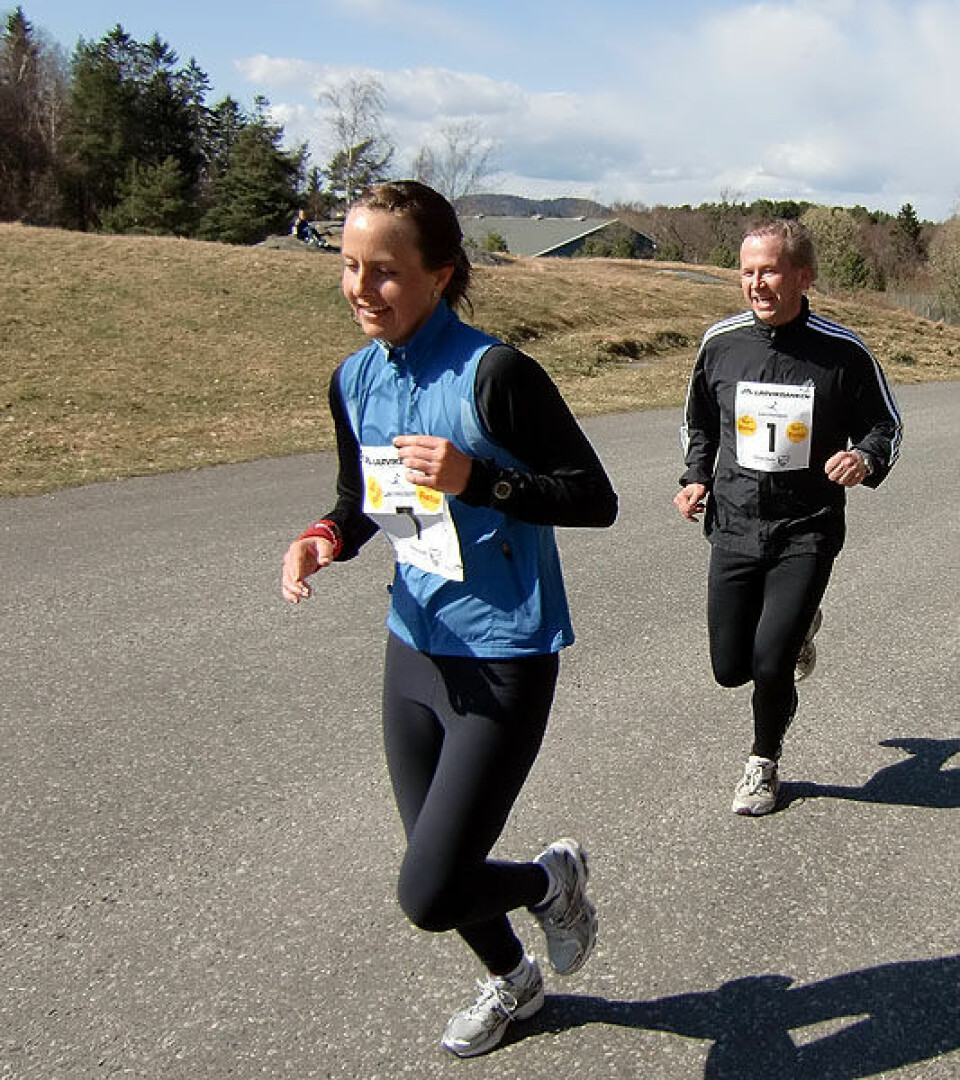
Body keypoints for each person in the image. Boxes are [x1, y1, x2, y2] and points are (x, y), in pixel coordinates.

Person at [281, 180, 617, 1056]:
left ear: (441, 273)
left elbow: (594, 498)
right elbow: (361, 501)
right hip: (413, 646)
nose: (361, 287)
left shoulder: (495, 375)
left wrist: (481, 479)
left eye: (385, 272)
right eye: (349, 266)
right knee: (442, 865)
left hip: (504, 653)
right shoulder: (353, 377)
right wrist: (324, 537)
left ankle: (551, 882)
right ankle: (516, 982)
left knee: (429, 891)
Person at [674, 219, 902, 817]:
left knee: (771, 664)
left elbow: (886, 425)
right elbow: (698, 422)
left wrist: (864, 455)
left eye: (769, 270)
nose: (756, 284)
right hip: (734, 522)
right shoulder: (720, 343)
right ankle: (799, 628)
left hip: (807, 527)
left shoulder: (842, 351)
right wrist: (696, 476)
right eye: (747, 272)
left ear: (803, 276)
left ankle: (763, 761)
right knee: (730, 668)